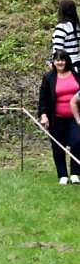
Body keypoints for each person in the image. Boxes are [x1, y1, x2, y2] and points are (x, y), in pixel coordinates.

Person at [39, 49, 80, 185]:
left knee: (77, 142)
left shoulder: (76, 73)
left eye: (63, 59)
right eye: (57, 60)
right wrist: (44, 115)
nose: (60, 62)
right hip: (56, 117)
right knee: (58, 145)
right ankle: (62, 175)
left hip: (75, 116)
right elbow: (43, 99)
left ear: (67, 61)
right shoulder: (49, 77)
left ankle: (75, 173)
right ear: (54, 62)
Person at [52, 0, 80, 71]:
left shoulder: (62, 27)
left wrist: (54, 65)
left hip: (66, 65)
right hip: (77, 62)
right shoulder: (76, 26)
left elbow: (58, 50)